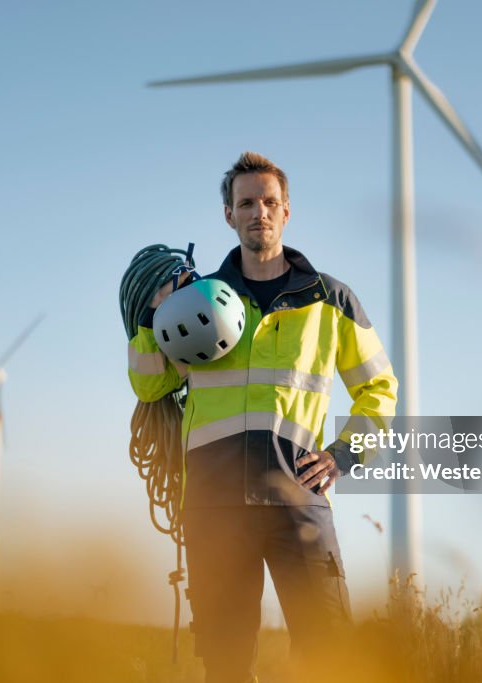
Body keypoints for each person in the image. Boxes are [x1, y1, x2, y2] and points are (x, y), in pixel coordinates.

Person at [127, 151, 397, 682]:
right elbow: (149, 381)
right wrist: (153, 314)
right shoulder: (197, 300)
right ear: (228, 214)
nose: (259, 213)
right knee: (225, 663)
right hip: (214, 503)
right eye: (246, 203)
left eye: (269, 202)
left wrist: (342, 454)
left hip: (298, 499)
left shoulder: (330, 301)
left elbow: (379, 389)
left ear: (287, 211)